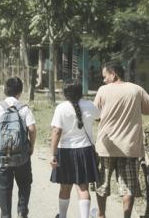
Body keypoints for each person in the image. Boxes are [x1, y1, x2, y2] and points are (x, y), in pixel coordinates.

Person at [93, 63, 149, 218]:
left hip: (106, 146)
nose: (103, 80)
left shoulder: (103, 91)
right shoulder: (136, 90)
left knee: (102, 183)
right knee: (128, 187)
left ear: (114, 74)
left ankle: (101, 215)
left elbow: (96, 115)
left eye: (105, 76)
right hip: (129, 147)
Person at [0, 77, 37, 218]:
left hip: (3, 155)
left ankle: (6, 215)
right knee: (25, 183)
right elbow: (32, 129)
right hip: (22, 155)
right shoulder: (24, 108)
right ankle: (22, 210)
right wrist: (31, 146)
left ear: (5, 90)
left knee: (4, 187)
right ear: (20, 91)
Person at [50, 83, 100, 218]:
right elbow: (99, 117)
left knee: (65, 187)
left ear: (65, 94)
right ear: (81, 92)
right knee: (83, 187)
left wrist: (52, 154)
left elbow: (56, 131)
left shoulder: (61, 108)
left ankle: (62, 216)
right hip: (85, 151)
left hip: (65, 151)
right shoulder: (90, 105)